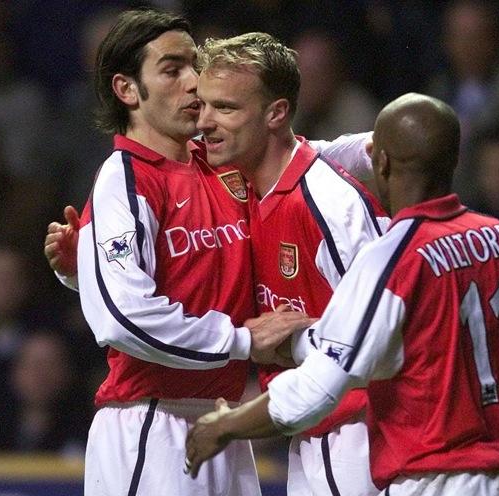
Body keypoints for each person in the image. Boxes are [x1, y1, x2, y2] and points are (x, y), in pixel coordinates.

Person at [184, 93, 499, 495]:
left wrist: (225, 425)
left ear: (380, 162)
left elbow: (314, 394)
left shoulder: (391, 259)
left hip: (433, 482)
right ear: (455, 161)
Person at [43, 10, 375, 495]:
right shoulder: (127, 177)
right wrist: (242, 340)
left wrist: (381, 144)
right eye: (172, 69)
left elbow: (298, 154)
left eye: (193, 65)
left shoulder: (218, 161)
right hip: (150, 427)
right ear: (127, 90)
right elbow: (121, 319)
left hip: (224, 421)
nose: (194, 83)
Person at [195, 32, 389, 495]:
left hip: (358, 434)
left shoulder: (330, 205)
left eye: (225, 108)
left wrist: (297, 342)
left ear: (276, 113)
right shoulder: (245, 183)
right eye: (202, 105)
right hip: (311, 430)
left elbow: (384, 331)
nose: (204, 122)